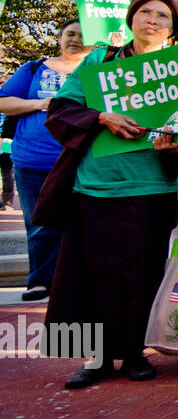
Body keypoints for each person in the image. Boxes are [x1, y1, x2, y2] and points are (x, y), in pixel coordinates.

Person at [42, 0, 178, 389]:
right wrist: (102, 116)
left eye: (162, 16)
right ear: (131, 18)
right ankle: (96, 358)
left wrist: (176, 144)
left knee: (143, 273)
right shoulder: (101, 60)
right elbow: (61, 110)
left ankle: (135, 352)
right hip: (96, 187)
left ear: (172, 28)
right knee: (86, 275)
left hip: (152, 187)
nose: (153, 20)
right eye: (145, 12)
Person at [0, 18, 91, 302]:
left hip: (80, 160)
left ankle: (75, 282)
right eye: (69, 34)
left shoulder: (98, 72)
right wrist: (39, 104)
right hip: (32, 161)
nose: (74, 39)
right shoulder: (34, 68)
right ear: (60, 37)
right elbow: (4, 101)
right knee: (38, 222)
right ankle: (40, 281)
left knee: (80, 221)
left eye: (81, 35)